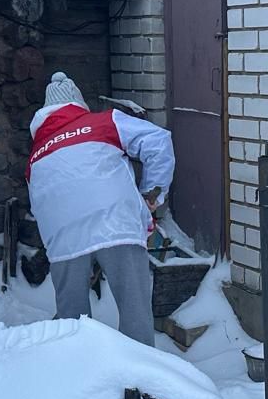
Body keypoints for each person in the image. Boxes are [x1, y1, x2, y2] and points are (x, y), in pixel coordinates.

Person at [26, 72, 174, 346]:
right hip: (116, 224)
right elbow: (158, 140)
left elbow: (38, 205)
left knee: (72, 321)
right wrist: (152, 193)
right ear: (78, 105)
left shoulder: (36, 155)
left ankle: (80, 374)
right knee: (134, 310)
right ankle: (141, 378)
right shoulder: (104, 120)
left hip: (62, 239)